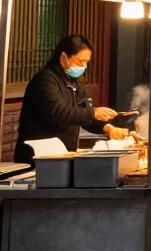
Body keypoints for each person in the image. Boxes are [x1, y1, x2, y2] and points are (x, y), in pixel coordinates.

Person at [15, 35, 129, 165]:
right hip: (37, 158)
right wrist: (94, 112)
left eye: (87, 62)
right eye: (81, 61)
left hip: (61, 156)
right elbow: (59, 113)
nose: (84, 66)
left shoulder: (73, 83)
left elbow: (83, 114)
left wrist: (108, 128)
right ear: (64, 57)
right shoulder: (45, 81)